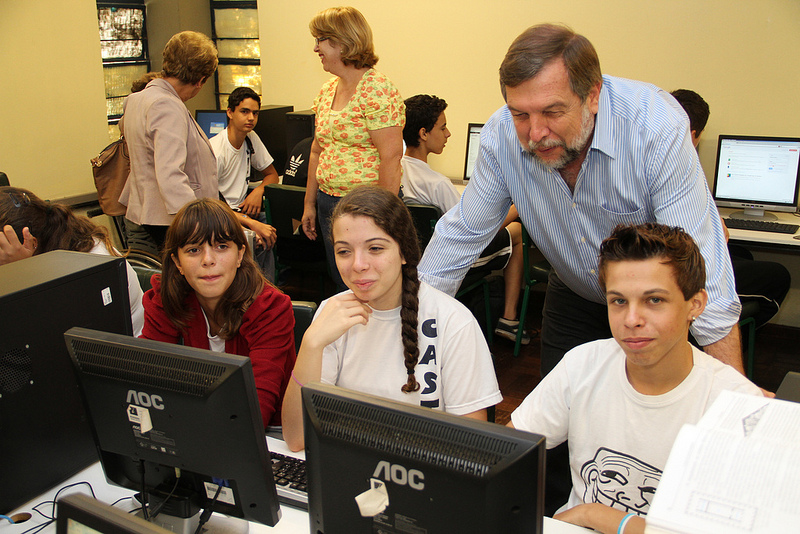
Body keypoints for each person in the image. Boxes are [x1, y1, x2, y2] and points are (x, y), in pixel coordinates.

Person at [417, 23, 741, 378]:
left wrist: (734, 399)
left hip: (653, 304)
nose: (535, 133)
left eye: (553, 112)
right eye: (520, 114)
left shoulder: (655, 127)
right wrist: (405, 326)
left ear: (593, 95)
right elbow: (461, 235)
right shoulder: (501, 137)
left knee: (664, 422)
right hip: (575, 295)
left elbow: (701, 263)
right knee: (565, 426)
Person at [509, 222, 761, 534]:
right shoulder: (583, 365)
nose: (631, 320)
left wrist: (596, 516)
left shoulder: (735, 406)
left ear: (694, 305)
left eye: (654, 300)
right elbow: (507, 455)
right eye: (618, 301)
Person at [282, 186, 502, 451]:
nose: (358, 265)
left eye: (375, 248)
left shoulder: (454, 322)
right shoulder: (331, 313)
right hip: (349, 464)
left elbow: (471, 449)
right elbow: (296, 438)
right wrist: (311, 344)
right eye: (344, 251)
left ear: (404, 252)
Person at [140, 198, 296, 428]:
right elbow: (149, 383)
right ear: (177, 262)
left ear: (240, 254)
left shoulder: (270, 308)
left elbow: (255, 408)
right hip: (192, 427)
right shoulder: (165, 300)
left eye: (221, 247)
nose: (208, 260)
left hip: (269, 436)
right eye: (193, 250)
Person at [401, 94, 530, 343]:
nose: (448, 134)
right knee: (516, 231)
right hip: (453, 260)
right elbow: (472, 231)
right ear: (424, 133)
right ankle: (510, 319)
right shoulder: (438, 183)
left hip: (415, 257)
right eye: (443, 127)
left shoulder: (396, 171)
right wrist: (517, 206)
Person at [301, 6, 405, 290]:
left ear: (343, 41)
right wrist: (309, 203)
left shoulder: (377, 89)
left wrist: (382, 219)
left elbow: (391, 159)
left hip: (367, 207)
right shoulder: (326, 91)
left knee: (368, 283)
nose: (315, 48)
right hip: (328, 203)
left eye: (320, 39)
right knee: (342, 280)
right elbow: (316, 151)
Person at [670, 88, 791, 328]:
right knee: (779, 275)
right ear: (695, 135)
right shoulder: (679, 167)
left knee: (743, 254)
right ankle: (725, 333)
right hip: (682, 265)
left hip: (675, 257)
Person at [118, 31, 220, 252]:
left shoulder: (136, 99)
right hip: (168, 220)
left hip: (141, 211)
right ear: (200, 80)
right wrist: (199, 224)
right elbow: (170, 173)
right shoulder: (167, 106)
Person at [0, 186, 144, 336]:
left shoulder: (91, 265)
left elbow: (49, 337)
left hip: (120, 352)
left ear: (31, 243)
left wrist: (20, 274)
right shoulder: (55, 245)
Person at [209, 86, 280, 281]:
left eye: (255, 113)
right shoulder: (216, 151)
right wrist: (250, 223)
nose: (251, 118)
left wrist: (258, 191)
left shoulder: (251, 138)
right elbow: (210, 206)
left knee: (270, 231)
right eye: (244, 111)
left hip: (240, 212)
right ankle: (250, 291)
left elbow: (272, 175)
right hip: (220, 215)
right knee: (257, 235)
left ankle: (268, 291)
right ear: (230, 113)